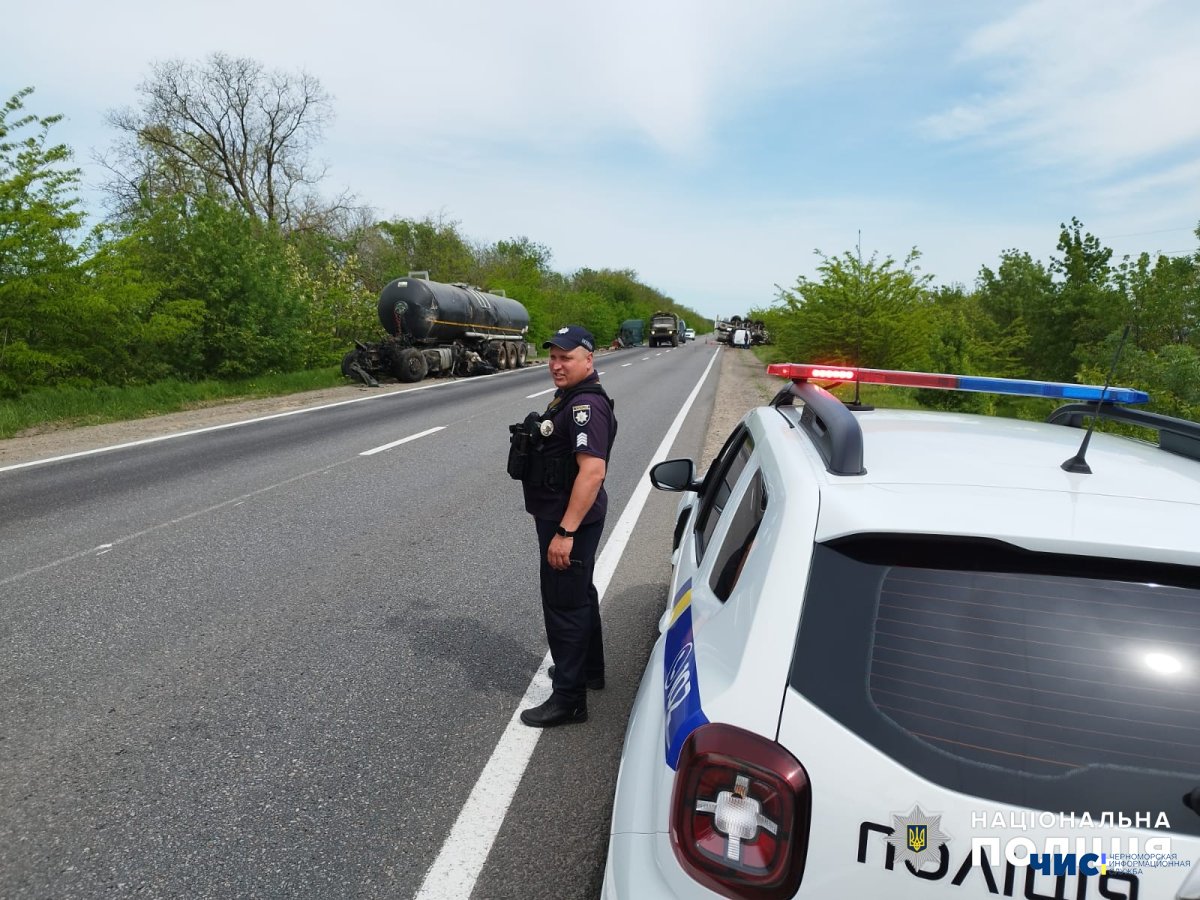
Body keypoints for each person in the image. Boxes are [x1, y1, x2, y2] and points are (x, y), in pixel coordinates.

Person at [514, 325, 617, 727]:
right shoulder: (571, 397)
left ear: (588, 360)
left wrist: (565, 533)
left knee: (564, 604)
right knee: (579, 594)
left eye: (566, 357)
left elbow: (591, 472)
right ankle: (589, 671)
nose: (556, 365)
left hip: (568, 520)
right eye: (553, 357)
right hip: (567, 514)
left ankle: (569, 699)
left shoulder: (585, 406)